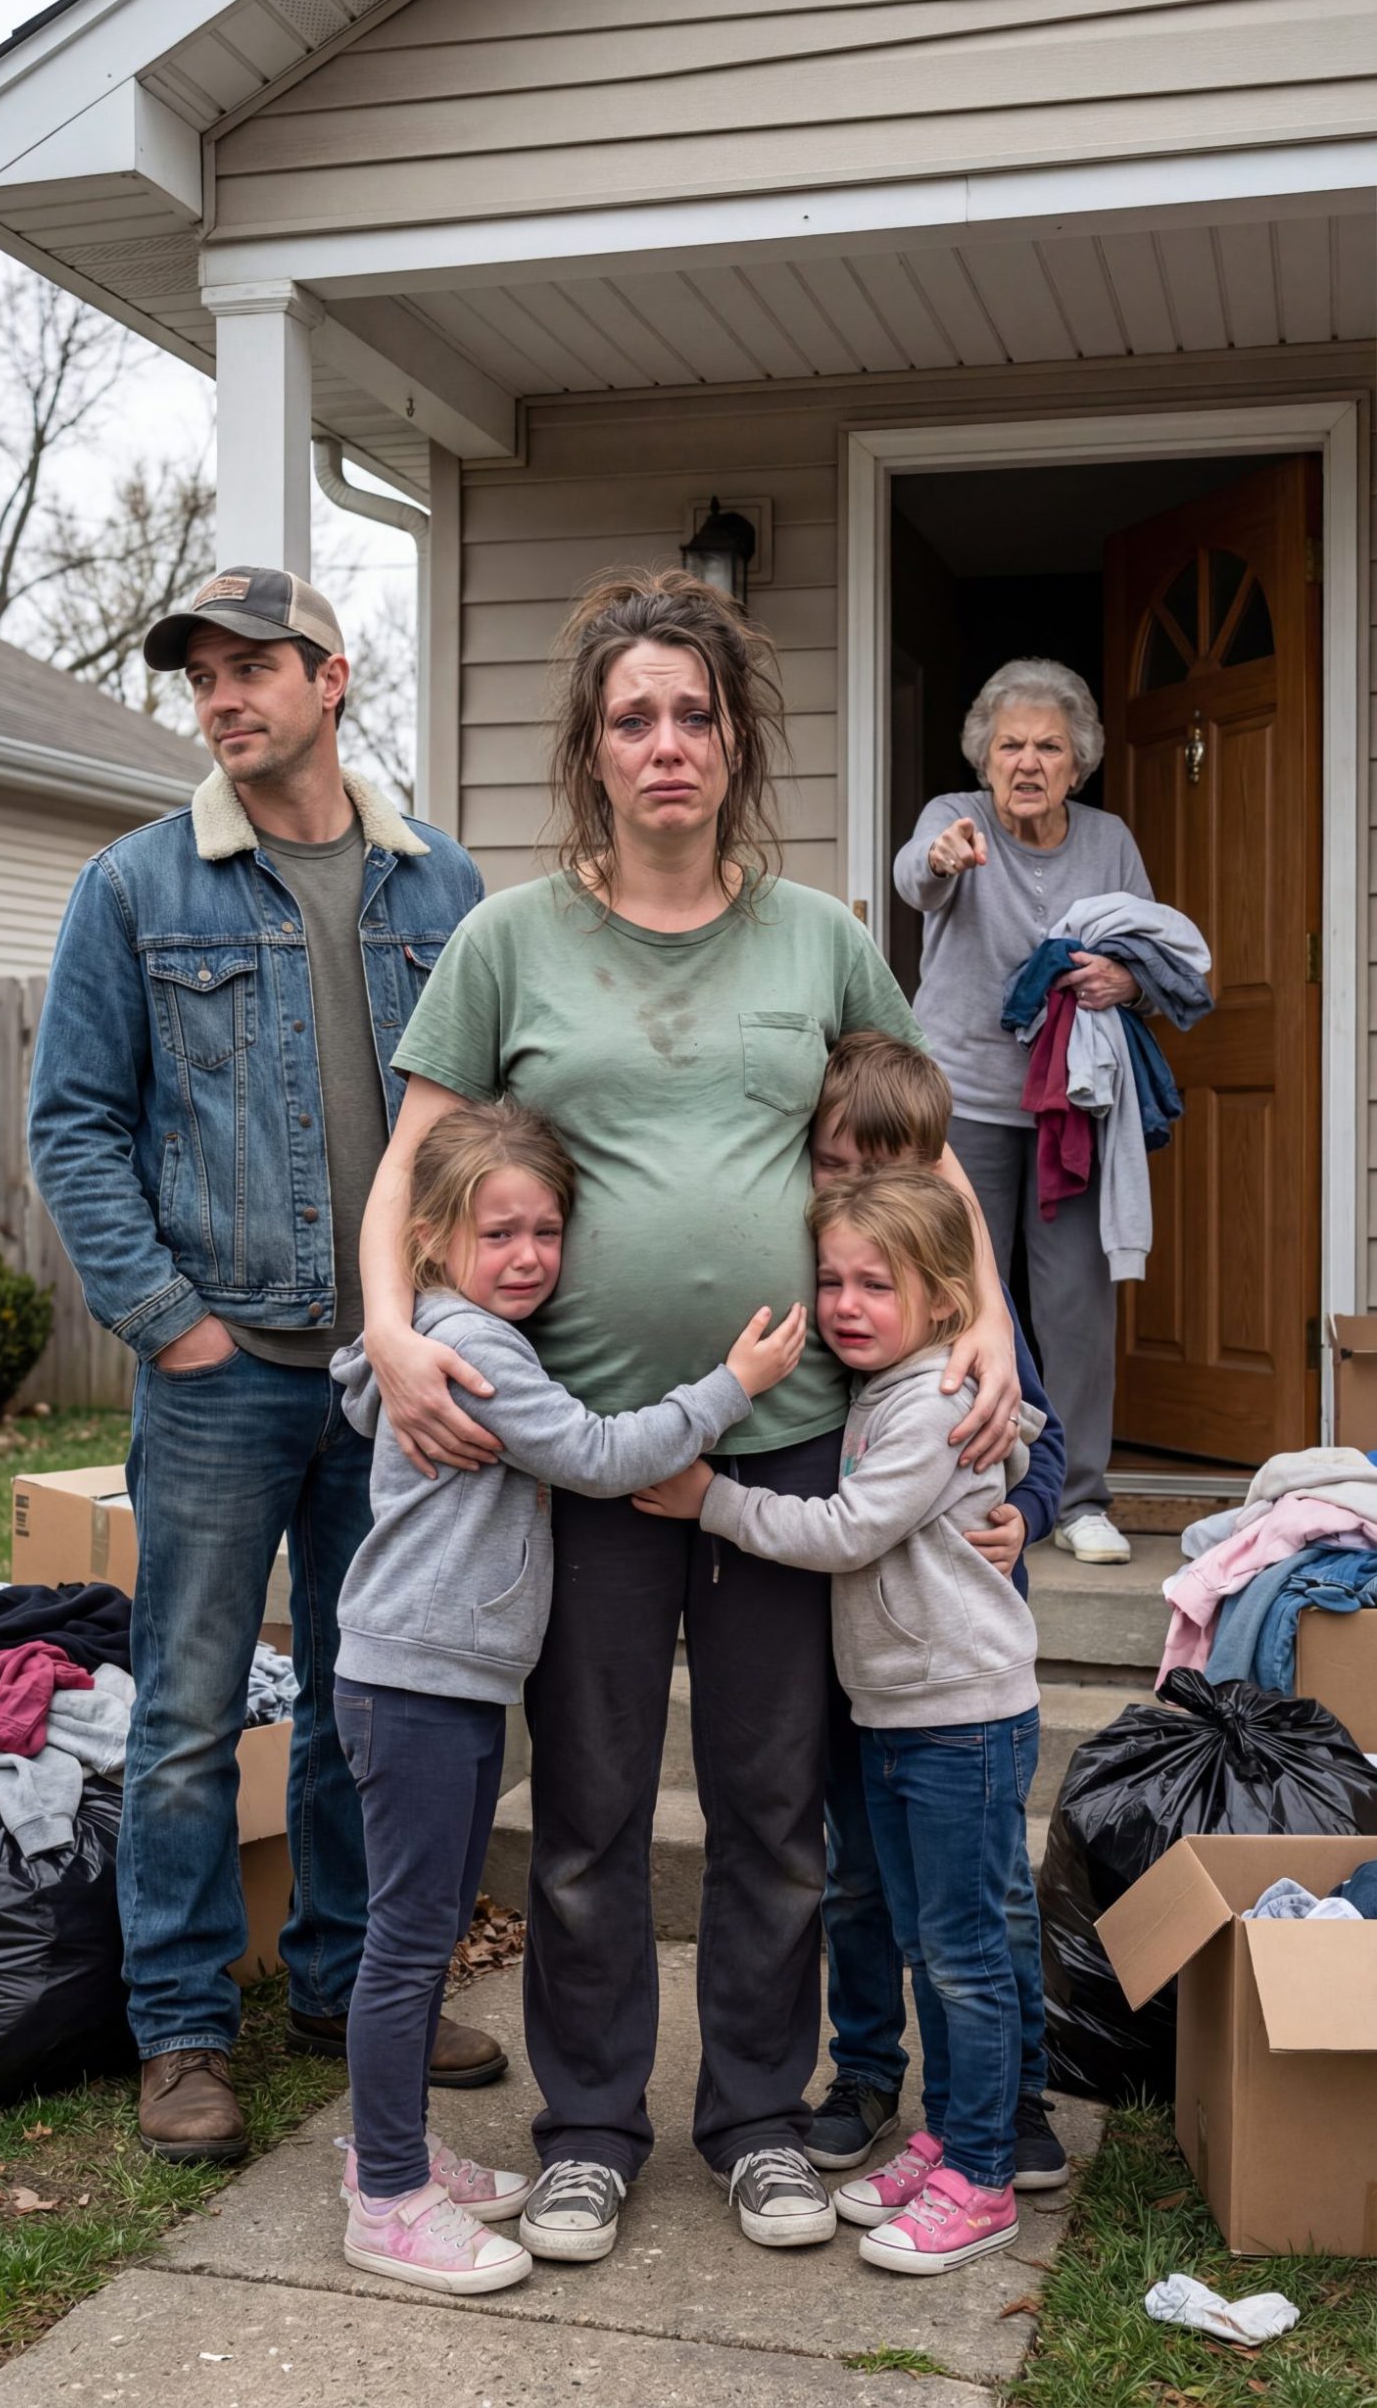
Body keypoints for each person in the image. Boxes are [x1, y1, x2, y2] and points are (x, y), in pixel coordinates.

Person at [356, 568, 1023, 2260]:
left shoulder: (816, 938)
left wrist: (989, 1325)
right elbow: (410, 1166)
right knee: (584, 1808)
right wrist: (393, 1328)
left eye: (695, 713)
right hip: (578, 1455)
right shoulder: (513, 938)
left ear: (734, 740)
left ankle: (755, 2118)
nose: (667, 742)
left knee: (772, 1804)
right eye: (633, 714)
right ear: (591, 744)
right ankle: (588, 2127)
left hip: (787, 1439)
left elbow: (925, 1149)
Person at [26, 567, 500, 2165]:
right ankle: (180, 2029)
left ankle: (348, 1982)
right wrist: (176, 1323)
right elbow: (73, 1126)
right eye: (203, 678)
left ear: (333, 677)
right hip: (224, 1368)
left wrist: (454, 1319)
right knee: (185, 1706)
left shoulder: (447, 893)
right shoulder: (136, 886)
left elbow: (498, 1133)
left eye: (254, 669)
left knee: (375, 1695)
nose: (225, 698)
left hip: (397, 1377)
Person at [329, 1096, 806, 2288]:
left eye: (547, 1230)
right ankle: (384, 2194)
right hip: (418, 1680)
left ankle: (397, 2157)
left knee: (425, 1928)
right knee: (404, 1944)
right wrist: (728, 1387)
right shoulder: (478, 1352)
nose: (530, 1256)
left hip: (442, 1675)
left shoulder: (453, 1337)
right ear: (432, 1237)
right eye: (499, 1234)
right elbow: (596, 1457)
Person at [636, 1168, 1042, 2277]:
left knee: (959, 1953)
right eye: (832, 1280)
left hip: (960, 1715)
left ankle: (982, 2176)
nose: (849, 1303)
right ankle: (944, 2139)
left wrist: (709, 1500)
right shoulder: (885, 1388)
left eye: (878, 1284)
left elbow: (852, 1528)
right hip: (905, 1711)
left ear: (949, 1300)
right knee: (926, 1942)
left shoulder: (935, 1396)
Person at [801, 1031, 1069, 2194]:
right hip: (848, 1646)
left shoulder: (961, 1316)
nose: (866, 1191)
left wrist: (1028, 1515)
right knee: (858, 1881)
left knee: (981, 1905)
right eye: (836, 1164)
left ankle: (1004, 2112)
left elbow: (1032, 1430)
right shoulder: (828, 1280)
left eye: (898, 1167)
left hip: (947, 1657)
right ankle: (867, 2075)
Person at [895, 657, 1154, 1568]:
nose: (1028, 761)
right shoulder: (950, 819)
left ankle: (1078, 1495)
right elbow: (913, 879)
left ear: (1077, 764)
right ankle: (957, 1477)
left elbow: (1147, 946)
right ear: (986, 756)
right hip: (961, 1098)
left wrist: (1126, 976)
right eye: (1011, 744)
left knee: (1074, 1299)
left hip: (1070, 1103)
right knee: (960, 1291)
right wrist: (941, 859)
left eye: (1049, 746)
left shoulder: (1109, 838)